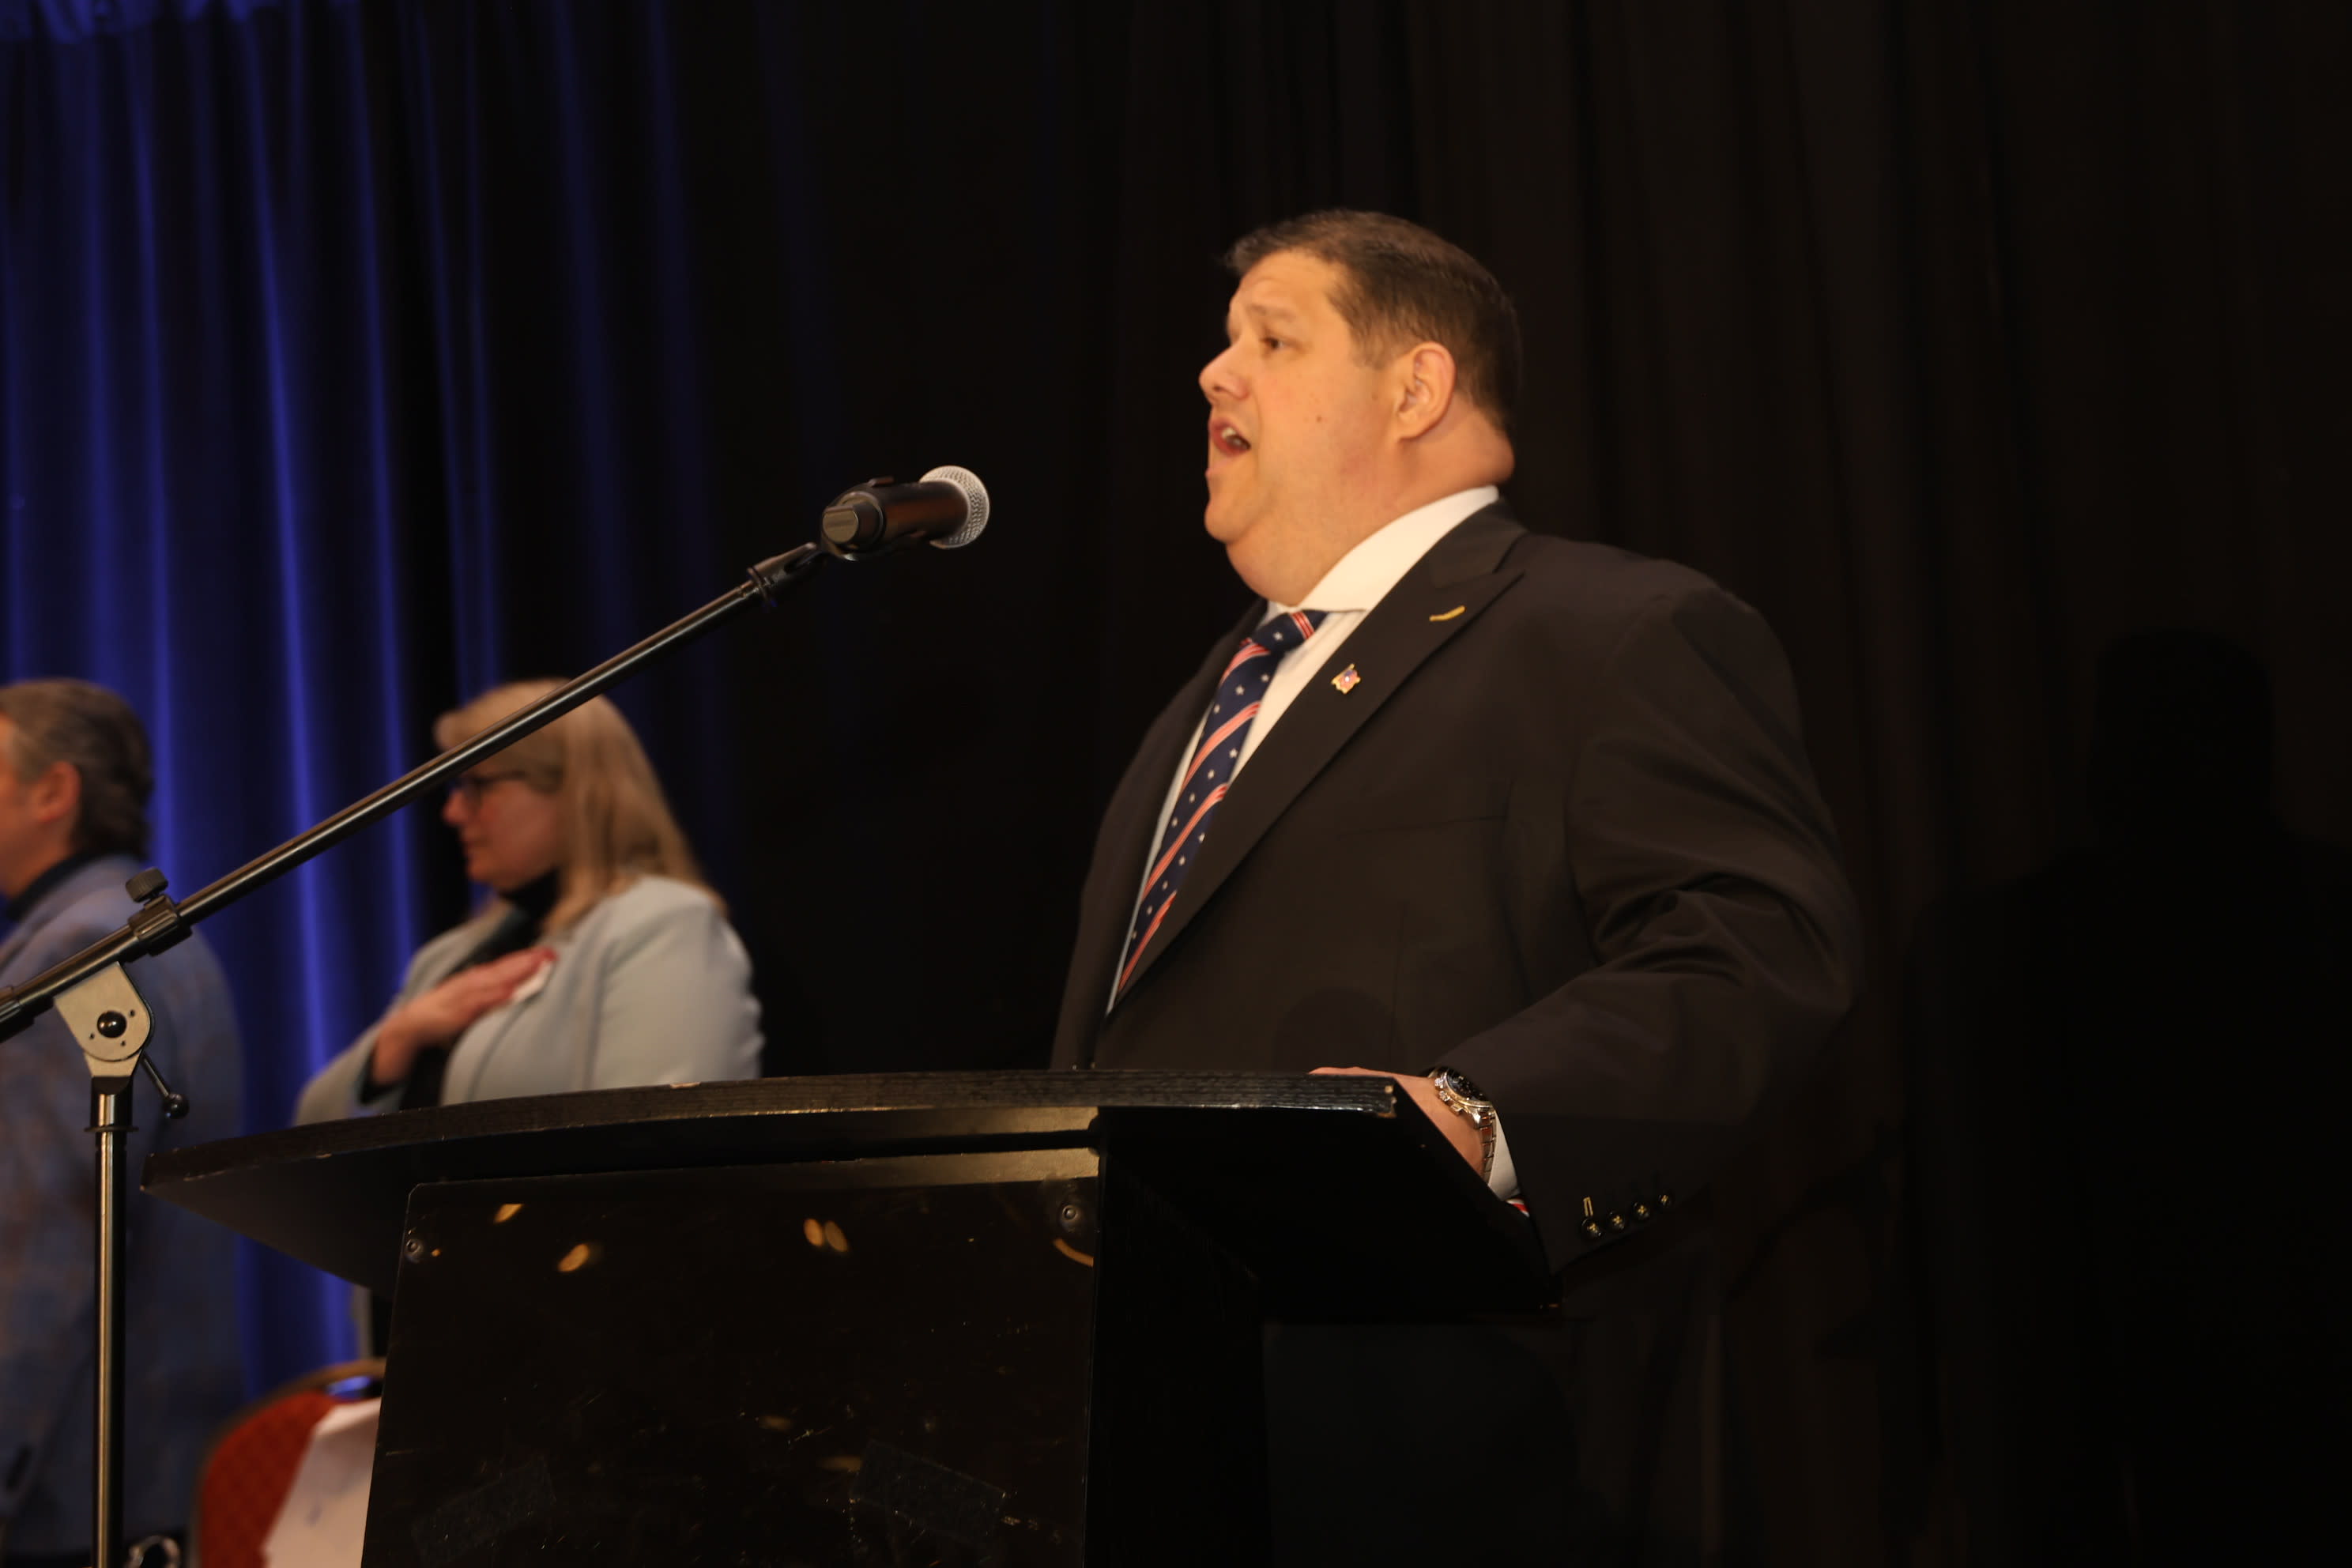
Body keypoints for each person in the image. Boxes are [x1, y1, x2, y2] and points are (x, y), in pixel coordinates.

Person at [1051, 212, 1861, 1560]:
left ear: (1416, 388)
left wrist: (1484, 1114)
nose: (1213, 372)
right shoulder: (1207, 699)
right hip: (1171, 1436)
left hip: (1456, 1444)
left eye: (1272, 340)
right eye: (1225, 340)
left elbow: (1755, 949)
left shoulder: (1608, 631)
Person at [0, 679, 245, 1567]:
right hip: (155, 1475)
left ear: (53, 791)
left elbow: (45, 1255)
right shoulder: (145, 928)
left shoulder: (79, 950)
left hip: (65, 1496)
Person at [296, 682, 761, 1124]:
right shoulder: (450, 956)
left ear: (573, 790)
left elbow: (663, 1135)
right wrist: (399, 1038)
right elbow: (308, 1126)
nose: (453, 812)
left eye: (478, 786)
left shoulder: (662, 926)